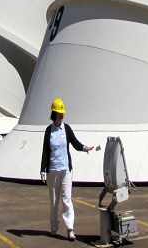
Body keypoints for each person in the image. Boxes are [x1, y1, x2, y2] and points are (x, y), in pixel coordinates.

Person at [40, 97, 95, 241]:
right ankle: (53, 227)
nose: (61, 116)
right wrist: (42, 170)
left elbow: (75, 143)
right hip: (52, 171)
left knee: (67, 200)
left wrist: (84, 148)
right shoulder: (49, 131)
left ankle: (70, 229)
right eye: (59, 113)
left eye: (62, 113)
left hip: (66, 171)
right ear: (54, 114)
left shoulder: (66, 128)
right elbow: (45, 151)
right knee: (54, 201)